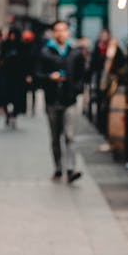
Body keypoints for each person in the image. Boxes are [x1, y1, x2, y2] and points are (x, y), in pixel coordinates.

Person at [36, 20, 85, 182]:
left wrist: (77, 89)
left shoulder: (75, 53)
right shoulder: (46, 52)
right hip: (52, 100)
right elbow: (38, 74)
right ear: (53, 33)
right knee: (55, 136)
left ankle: (71, 169)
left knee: (70, 136)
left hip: (69, 99)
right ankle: (58, 167)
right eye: (57, 30)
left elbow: (82, 75)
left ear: (68, 32)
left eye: (63, 30)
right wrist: (50, 77)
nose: (61, 33)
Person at [0, 26, 27, 128]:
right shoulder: (5, 44)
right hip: (6, 75)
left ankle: (14, 115)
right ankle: (7, 114)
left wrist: (27, 75)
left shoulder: (22, 46)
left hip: (18, 76)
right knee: (5, 96)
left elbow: (26, 61)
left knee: (16, 97)